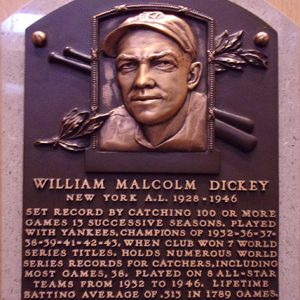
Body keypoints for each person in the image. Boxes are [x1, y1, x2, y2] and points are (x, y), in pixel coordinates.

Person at [98, 11, 207, 152]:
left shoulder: (208, 126)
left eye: (162, 63)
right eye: (128, 65)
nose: (141, 81)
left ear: (192, 76)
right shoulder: (110, 131)